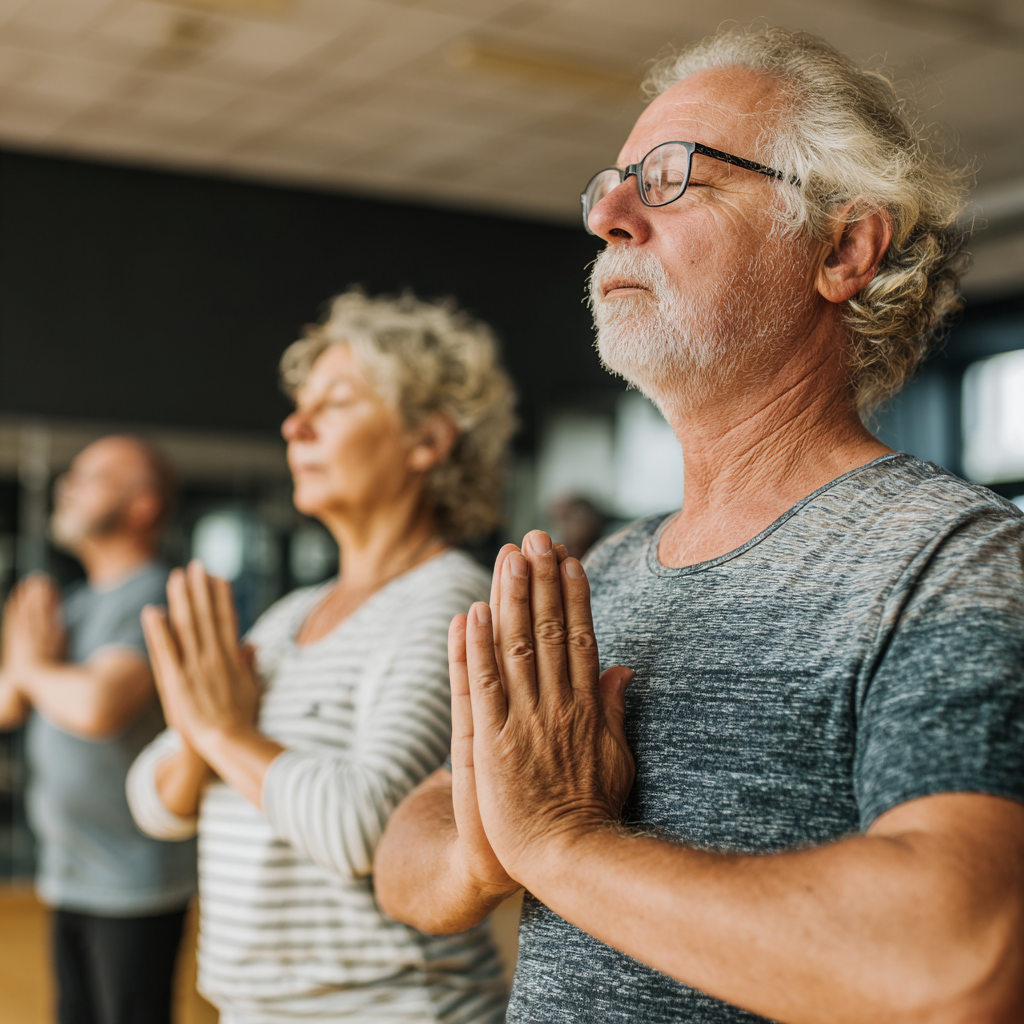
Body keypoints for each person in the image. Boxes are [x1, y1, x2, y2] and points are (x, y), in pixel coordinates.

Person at [373, 25, 1024, 1024]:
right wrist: (485, 839)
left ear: (844, 248)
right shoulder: (608, 567)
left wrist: (558, 840)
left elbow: (950, 956)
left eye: (674, 177)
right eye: (613, 184)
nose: (612, 217)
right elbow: (407, 861)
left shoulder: (953, 560)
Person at [126, 290, 516, 1023]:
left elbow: (367, 832)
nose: (294, 425)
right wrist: (199, 741)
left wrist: (218, 734)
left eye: (334, 403)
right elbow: (153, 800)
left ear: (426, 440)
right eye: (299, 405)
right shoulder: (288, 618)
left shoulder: (448, 601)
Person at [0, 435, 195, 1024]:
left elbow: (96, 707)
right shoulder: (76, 604)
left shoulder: (157, 594)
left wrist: (32, 666)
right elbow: (7, 703)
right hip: (69, 874)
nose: (67, 485)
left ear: (142, 506)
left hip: (133, 882)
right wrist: (27, 662)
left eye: (91, 476)